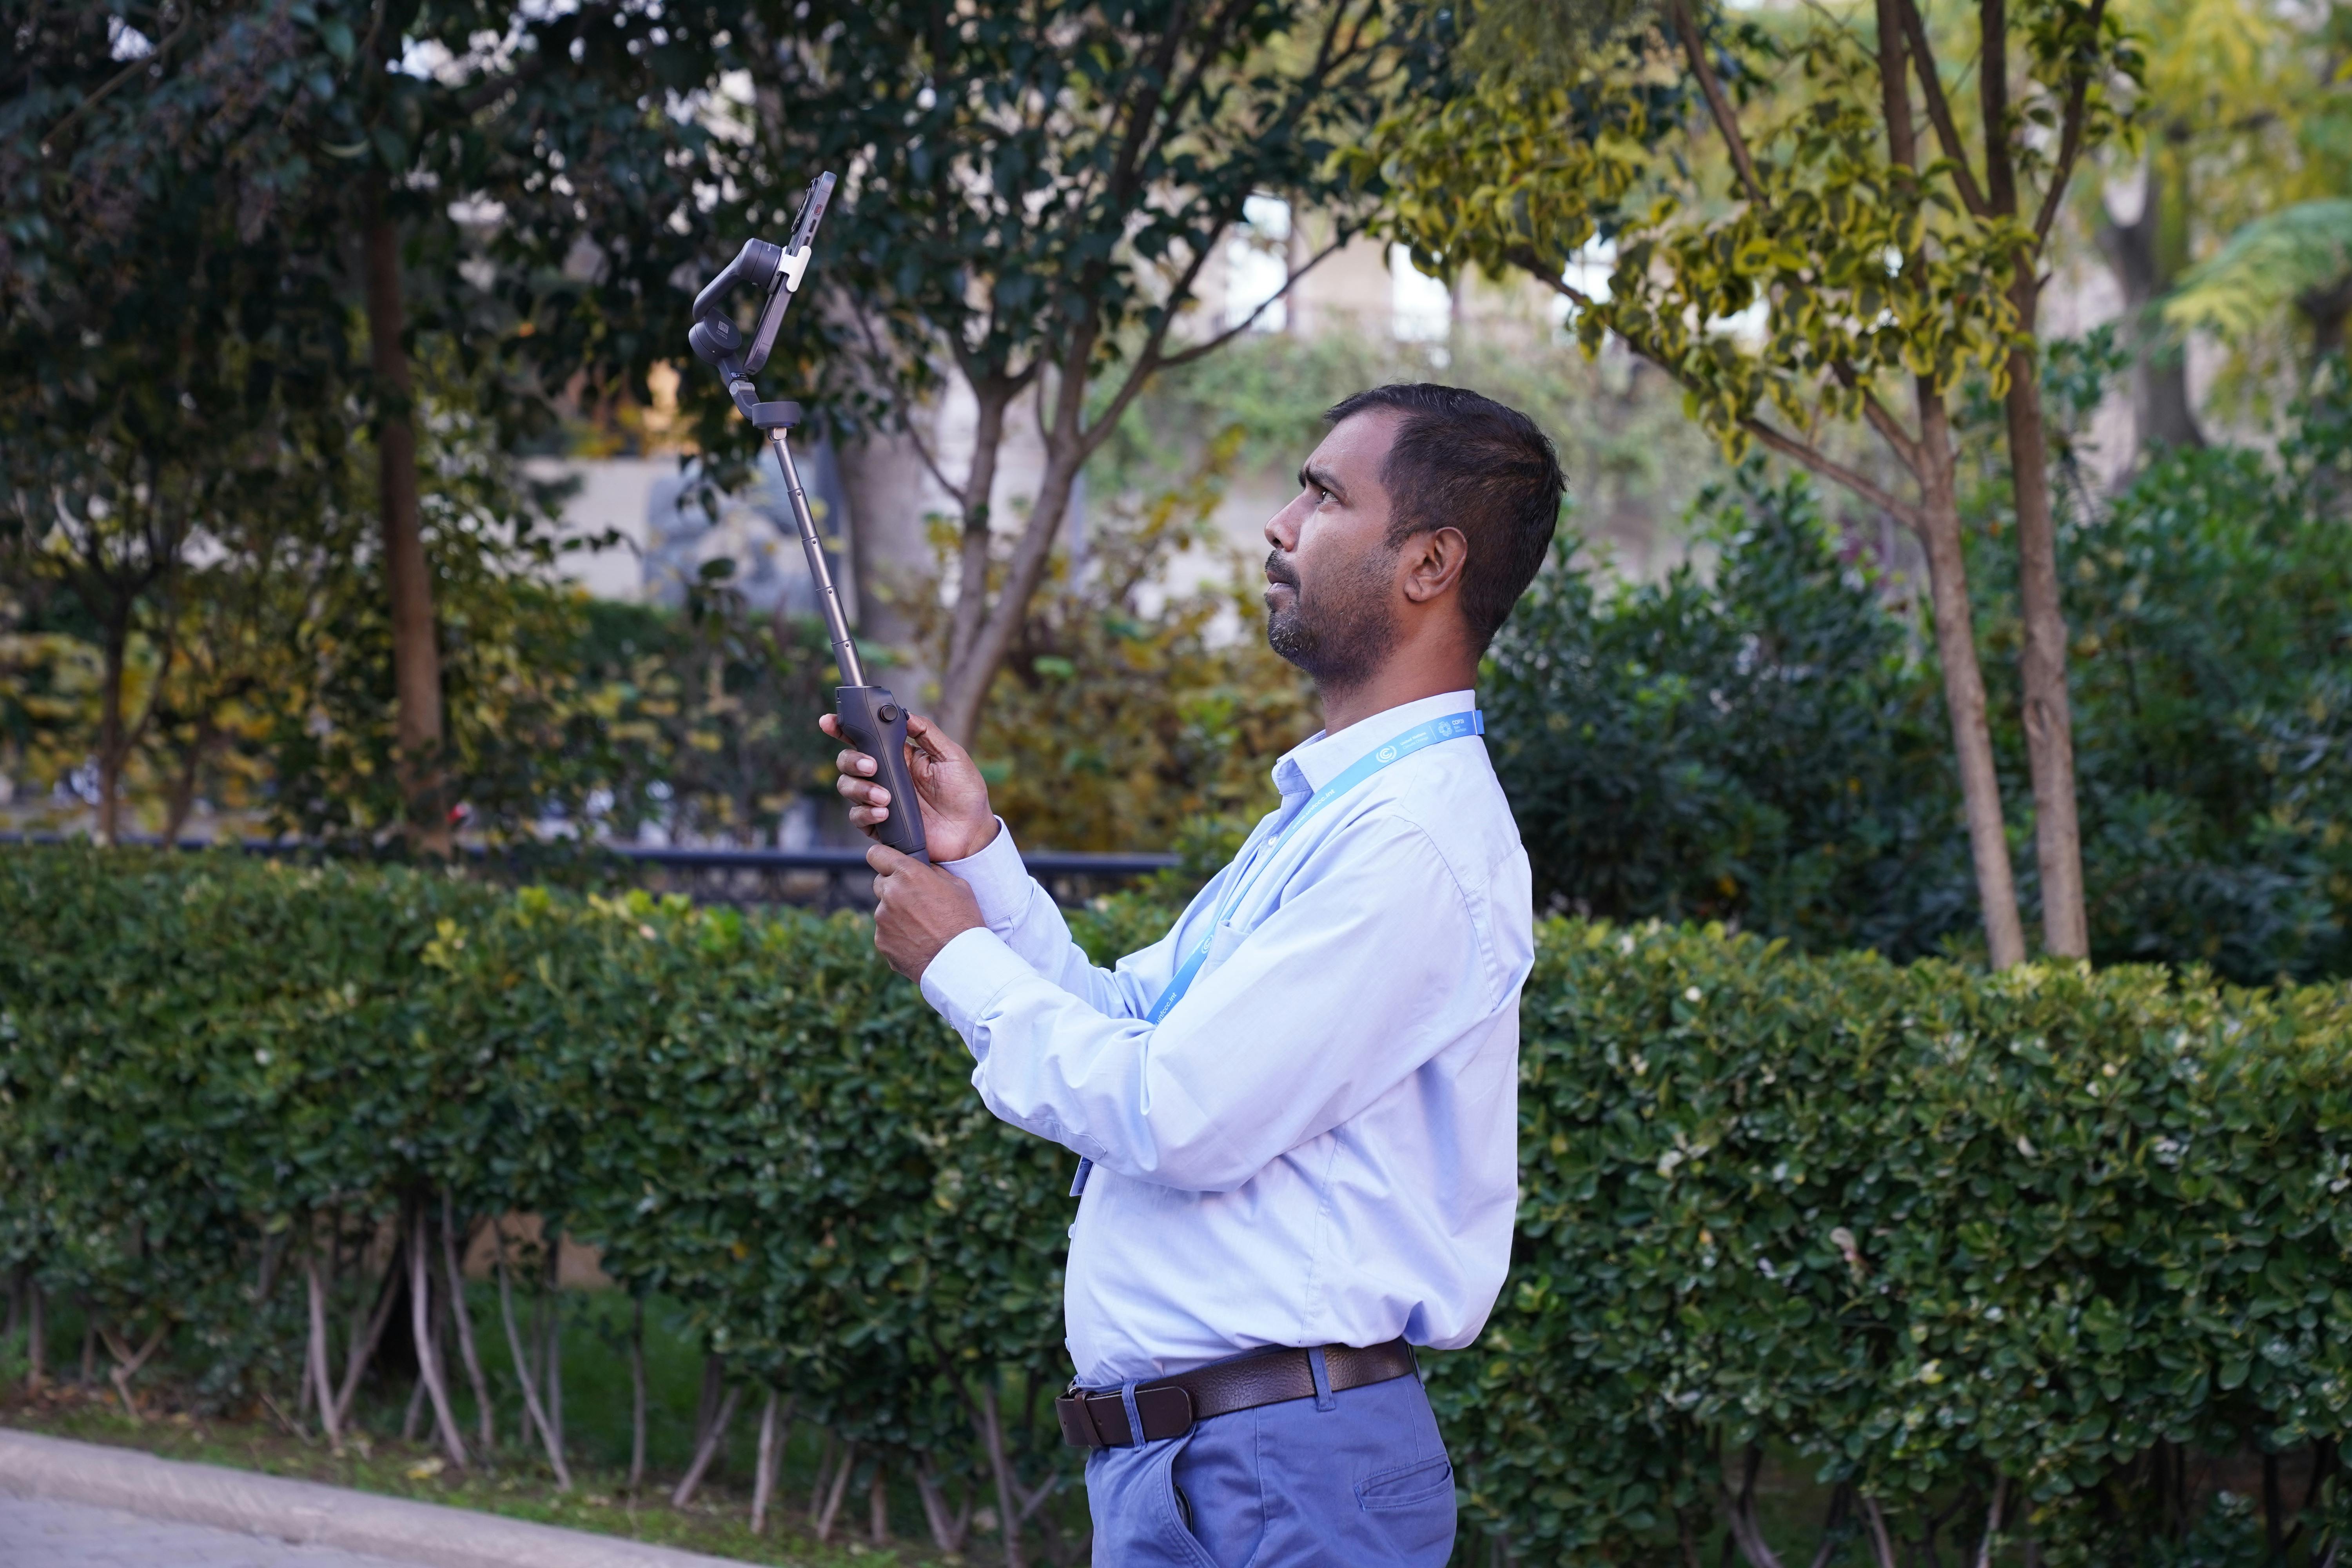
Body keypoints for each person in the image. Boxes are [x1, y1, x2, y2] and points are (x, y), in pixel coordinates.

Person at [821, 383, 1563, 1567]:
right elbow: (1130, 1023)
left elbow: (1177, 1114)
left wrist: (956, 955)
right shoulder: (1339, 811)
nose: (1278, 524)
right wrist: (979, 859)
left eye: (1321, 495)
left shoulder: (1411, 844)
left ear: (1430, 562)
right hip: (1214, 1469)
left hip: (1282, 1478)